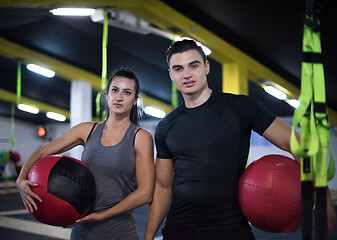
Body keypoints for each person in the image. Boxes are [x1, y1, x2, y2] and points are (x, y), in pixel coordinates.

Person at [144, 39, 336, 240]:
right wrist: (148, 236)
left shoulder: (241, 107)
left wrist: (323, 196)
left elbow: (295, 144)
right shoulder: (166, 126)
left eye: (194, 65)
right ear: (171, 75)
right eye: (179, 68)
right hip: (179, 229)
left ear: (206, 67)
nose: (187, 74)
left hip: (230, 228)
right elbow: (163, 188)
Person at [17, 68, 155, 240]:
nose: (119, 97)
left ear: (135, 100)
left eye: (127, 92)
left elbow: (146, 192)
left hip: (119, 231)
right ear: (107, 95)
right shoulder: (87, 130)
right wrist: (20, 180)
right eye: (114, 90)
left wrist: (104, 215)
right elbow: (41, 151)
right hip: (81, 232)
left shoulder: (140, 137)